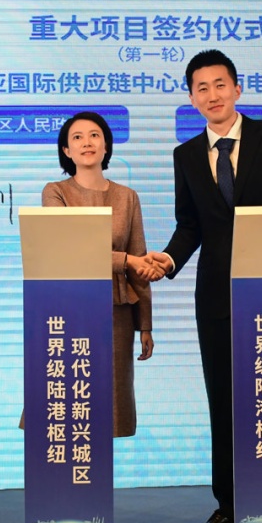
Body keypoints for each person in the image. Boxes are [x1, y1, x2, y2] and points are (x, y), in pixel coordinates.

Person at [142, 50, 262, 523]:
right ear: (191, 98)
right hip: (216, 296)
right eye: (202, 88)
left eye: (220, 84)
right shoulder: (186, 156)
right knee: (224, 400)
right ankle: (229, 507)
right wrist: (167, 260)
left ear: (237, 88)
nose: (212, 95)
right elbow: (190, 226)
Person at [42, 111, 155, 438]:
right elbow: (69, 248)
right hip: (70, 309)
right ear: (66, 150)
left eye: (94, 135)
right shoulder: (55, 192)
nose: (86, 142)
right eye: (77, 137)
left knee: (110, 407)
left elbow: (140, 264)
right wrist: (126, 261)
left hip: (117, 312)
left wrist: (145, 324)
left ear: (106, 146)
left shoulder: (128, 197)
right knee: (67, 404)